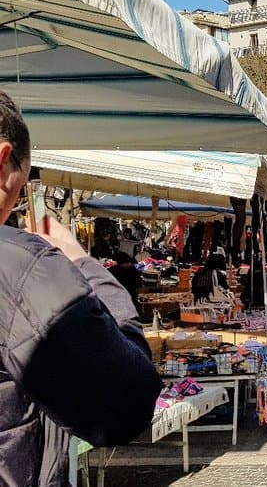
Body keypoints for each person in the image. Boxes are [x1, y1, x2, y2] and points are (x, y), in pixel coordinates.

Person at [0, 90, 162, 485]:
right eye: (22, 185)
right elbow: (125, 400)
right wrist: (80, 262)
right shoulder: (18, 266)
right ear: (3, 160)